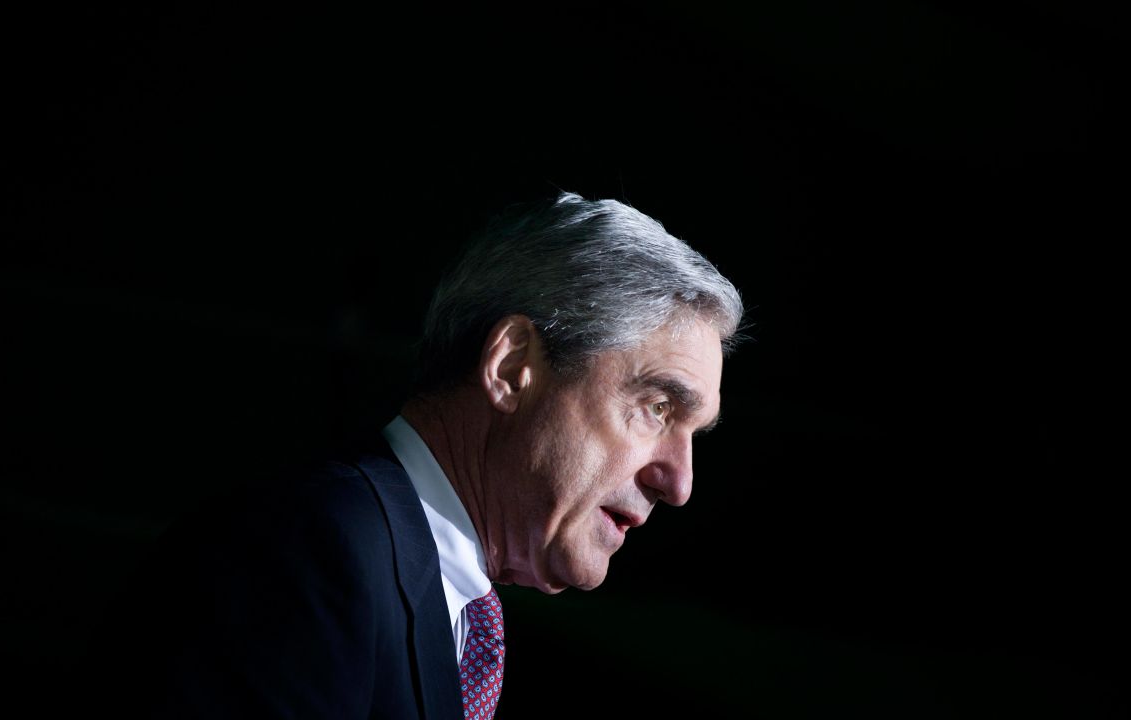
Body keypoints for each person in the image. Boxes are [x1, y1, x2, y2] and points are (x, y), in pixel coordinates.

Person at [80, 191, 742, 719]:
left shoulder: (446, 605)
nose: (679, 481)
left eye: (693, 430)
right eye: (657, 408)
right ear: (512, 367)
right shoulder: (312, 549)